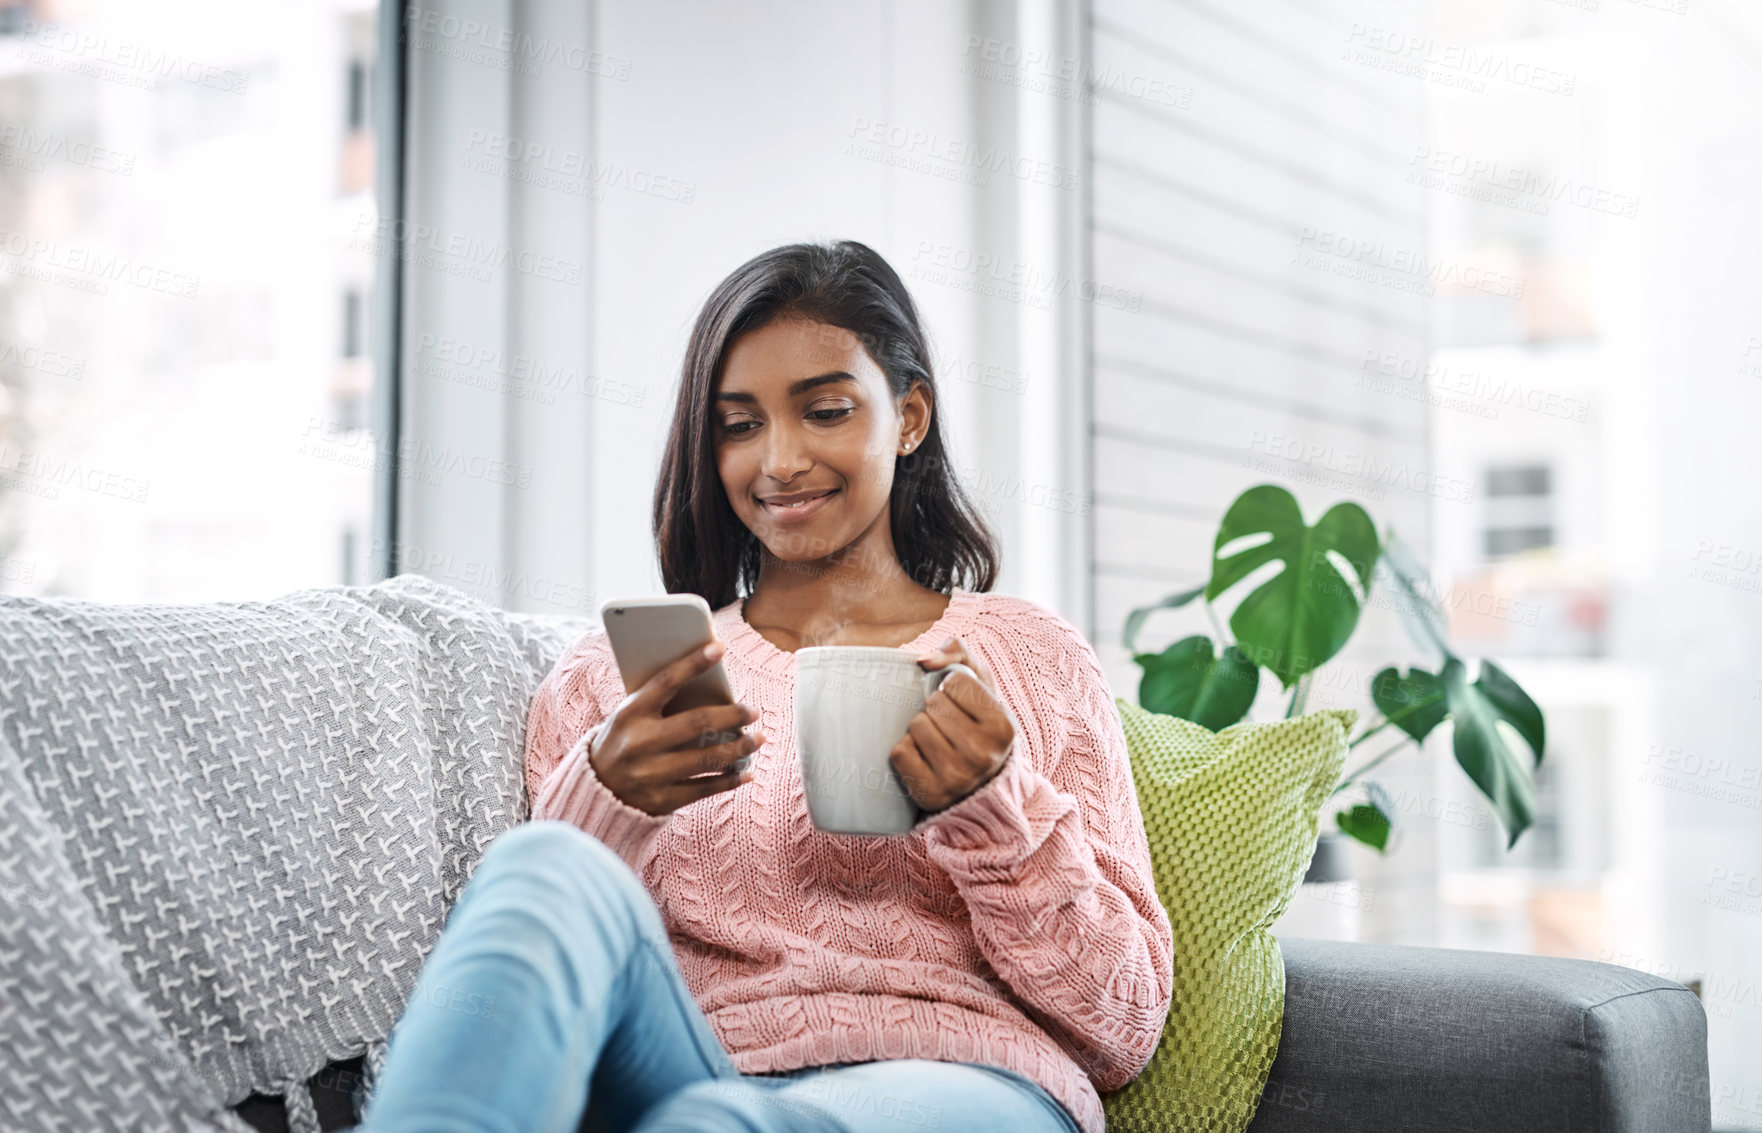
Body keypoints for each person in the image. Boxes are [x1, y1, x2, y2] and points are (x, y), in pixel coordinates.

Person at [356, 241, 1173, 1133]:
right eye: (739, 425)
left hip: (964, 1080)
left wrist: (995, 808)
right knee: (545, 863)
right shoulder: (617, 680)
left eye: (824, 410)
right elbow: (545, 984)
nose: (779, 461)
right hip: (692, 1062)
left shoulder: (1032, 656)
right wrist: (604, 805)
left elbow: (1121, 1026)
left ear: (908, 417)